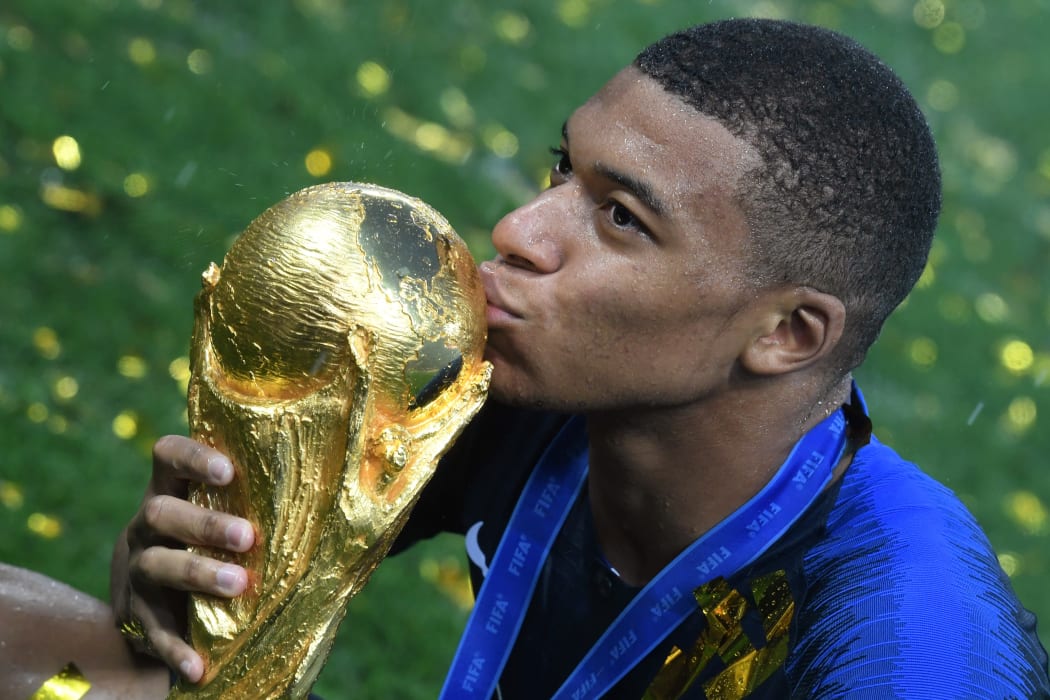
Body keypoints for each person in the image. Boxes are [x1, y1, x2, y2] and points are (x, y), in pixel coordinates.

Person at [109, 18, 1050, 699]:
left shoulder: (912, 650)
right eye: (564, 168)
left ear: (786, 334)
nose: (519, 228)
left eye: (620, 218)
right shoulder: (511, 385)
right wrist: (183, 584)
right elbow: (189, 653)